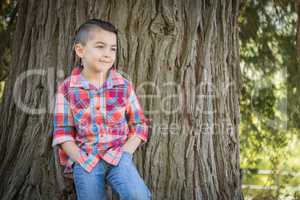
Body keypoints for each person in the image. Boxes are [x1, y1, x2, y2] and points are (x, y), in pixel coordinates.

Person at [51, 18, 151, 200]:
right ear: (80, 50)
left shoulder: (123, 86)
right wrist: (80, 158)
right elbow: (62, 132)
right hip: (86, 158)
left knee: (138, 196)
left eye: (113, 48)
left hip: (118, 155)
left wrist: (126, 153)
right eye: (100, 46)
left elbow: (139, 124)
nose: (108, 54)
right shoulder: (67, 88)